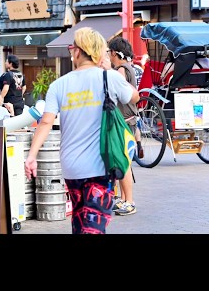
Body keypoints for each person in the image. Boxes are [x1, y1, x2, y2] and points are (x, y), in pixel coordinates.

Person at [24, 27, 139, 235]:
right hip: (100, 167)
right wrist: (110, 71)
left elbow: (45, 123)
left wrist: (32, 156)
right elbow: (134, 97)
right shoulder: (109, 78)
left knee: (79, 224)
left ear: (77, 51)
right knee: (92, 229)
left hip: (71, 168)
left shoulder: (59, 85)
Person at [105, 36, 143, 216]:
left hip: (124, 120)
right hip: (130, 119)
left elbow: (119, 92)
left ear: (114, 53)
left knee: (123, 162)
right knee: (123, 160)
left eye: (109, 52)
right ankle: (123, 198)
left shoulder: (120, 69)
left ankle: (129, 201)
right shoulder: (130, 67)